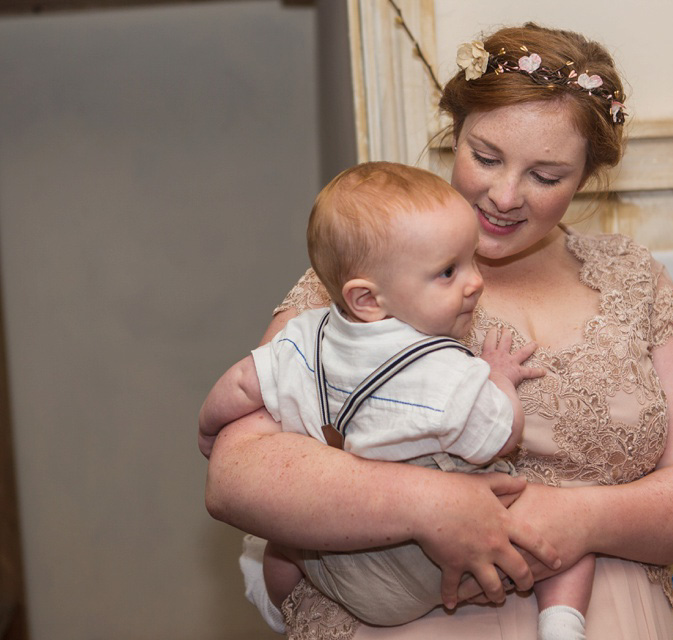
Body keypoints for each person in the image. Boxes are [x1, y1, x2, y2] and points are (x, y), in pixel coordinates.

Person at [202, 22, 673, 640]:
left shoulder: (633, 278)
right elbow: (237, 476)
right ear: (453, 135)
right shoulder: (373, 273)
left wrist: (584, 517)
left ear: (586, 176)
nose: (504, 195)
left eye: (546, 176)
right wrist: (428, 503)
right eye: (484, 157)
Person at [199, 161, 595, 639]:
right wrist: (498, 378)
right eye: (449, 272)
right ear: (367, 299)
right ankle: (562, 624)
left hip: (334, 563)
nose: (475, 282)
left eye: (469, 259)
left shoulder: (304, 337)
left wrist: (208, 428)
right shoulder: (444, 371)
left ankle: (280, 603)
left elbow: (243, 382)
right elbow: (500, 433)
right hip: (430, 566)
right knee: (565, 536)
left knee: (282, 547)